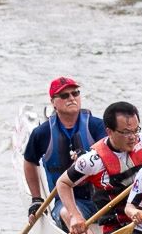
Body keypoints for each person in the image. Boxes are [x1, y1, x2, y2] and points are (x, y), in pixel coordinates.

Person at [55, 100, 142, 234]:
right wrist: (75, 215)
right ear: (109, 131)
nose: (133, 137)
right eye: (126, 132)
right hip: (118, 225)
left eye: (135, 130)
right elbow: (63, 183)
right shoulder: (92, 161)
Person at [22, 76, 105, 219]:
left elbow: (114, 154)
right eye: (64, 95)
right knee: (68, 214)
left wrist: (88, 158)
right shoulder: (42, 133)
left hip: (103, 196)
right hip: (67, 201)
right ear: (53, 102)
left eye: (75, 93)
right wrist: (36, 199)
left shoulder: (97, 126)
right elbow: (29, 161)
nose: (71, 98)